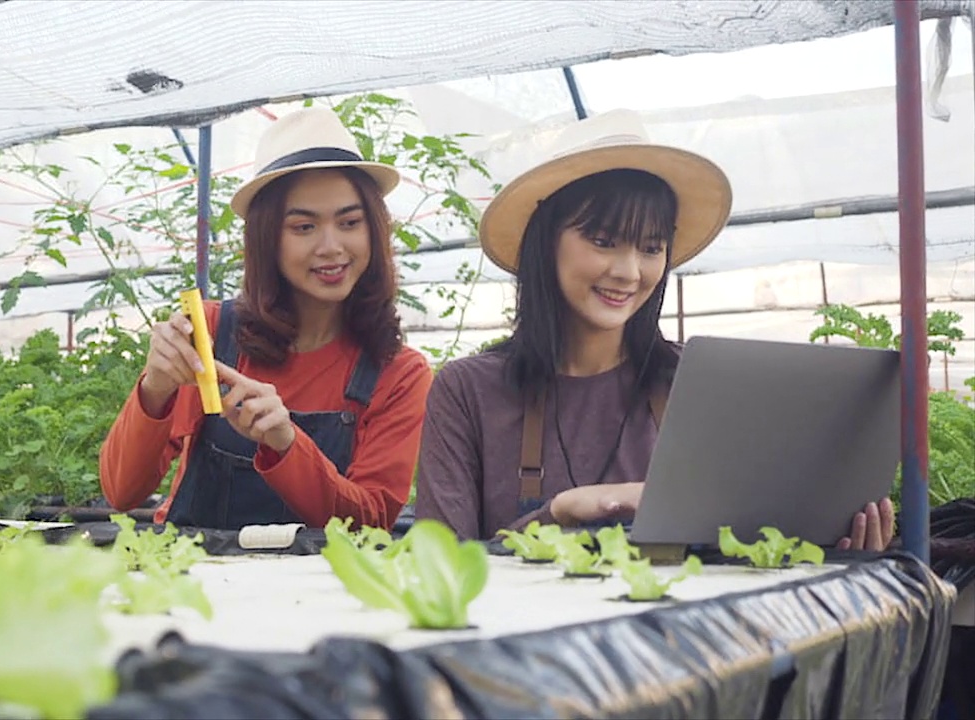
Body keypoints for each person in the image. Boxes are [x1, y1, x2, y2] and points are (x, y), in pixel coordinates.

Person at [414, 109, 894, 550]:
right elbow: (438, 568)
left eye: (650, 247)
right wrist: (559, 512)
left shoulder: (698, 383)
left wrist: (828, 545)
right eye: (603, 241)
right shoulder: (467, 391)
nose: (629, 272)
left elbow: (743, 546)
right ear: (546, 244)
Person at [100, 107, 432, 531]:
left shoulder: (399, 374)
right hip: (196, 582)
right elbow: (121, 491)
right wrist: (156, 387)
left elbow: (369, 525)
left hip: (319, 592)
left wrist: (286, 444)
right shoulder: (214, 332)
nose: (331, 246)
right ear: (266, 238)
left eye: (350, 222)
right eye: (303, 227)